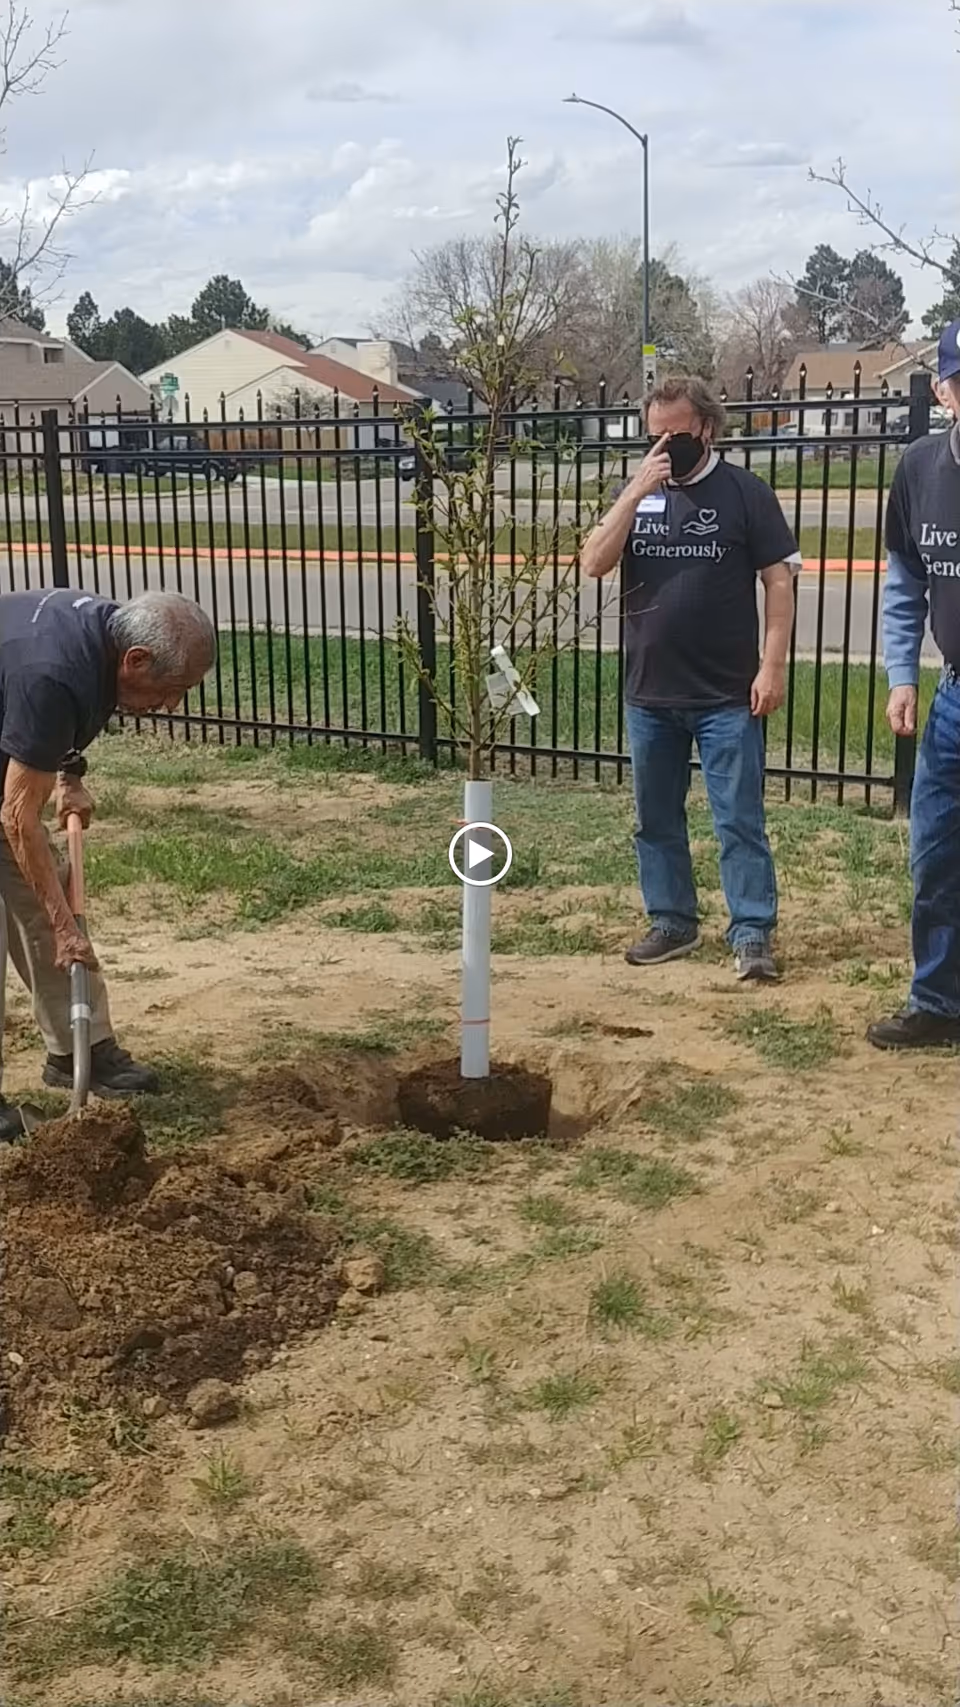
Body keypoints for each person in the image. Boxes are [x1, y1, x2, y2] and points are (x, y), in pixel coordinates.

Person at [581, 374, 802, 981]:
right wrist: (633, 493)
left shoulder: (745, 493)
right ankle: (672, 921)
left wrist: (772, 665)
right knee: (655, 818)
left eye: (676, 436)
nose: (665, 448)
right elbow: (593, 563)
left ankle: (752, 932)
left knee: (738, 820)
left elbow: (779, 583)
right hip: (651, 692)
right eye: (655, 437)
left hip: (728, 694)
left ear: (706, 427)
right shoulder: (640, 493)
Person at [0, 586, 216, 1139]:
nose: (173, 705)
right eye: (172, 690)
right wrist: (62, 925)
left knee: (55, 888)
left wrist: (69, 775)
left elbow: (57, 722)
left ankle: (79, 1050)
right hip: (10, 793)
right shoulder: (55, 670)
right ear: (136, 660)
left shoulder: (106, 635)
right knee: (52, 915)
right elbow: (18, 819)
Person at [868, 320, 960, 1049]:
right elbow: (905, 581)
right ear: (944, 390)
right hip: (953, 699)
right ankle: (936, 1001)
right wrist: (904, 674)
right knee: (934, 856)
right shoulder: (920, 469)